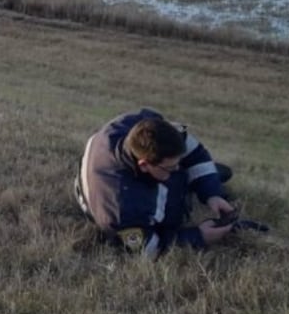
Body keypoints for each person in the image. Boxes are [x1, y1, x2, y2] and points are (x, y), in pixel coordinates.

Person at [76, 108, 236, 259]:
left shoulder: (144, 124)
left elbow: (193, 150)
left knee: (191, 171)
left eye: (178, 163)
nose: (177, 169)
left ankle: (202, 179)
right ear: (144, 165)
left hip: (115, 169)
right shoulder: (122, 210)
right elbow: (147, 248)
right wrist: (198, 237)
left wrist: (212, 193)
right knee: (172, 216)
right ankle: (193, 182)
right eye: (171, 167)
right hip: (112, 198)